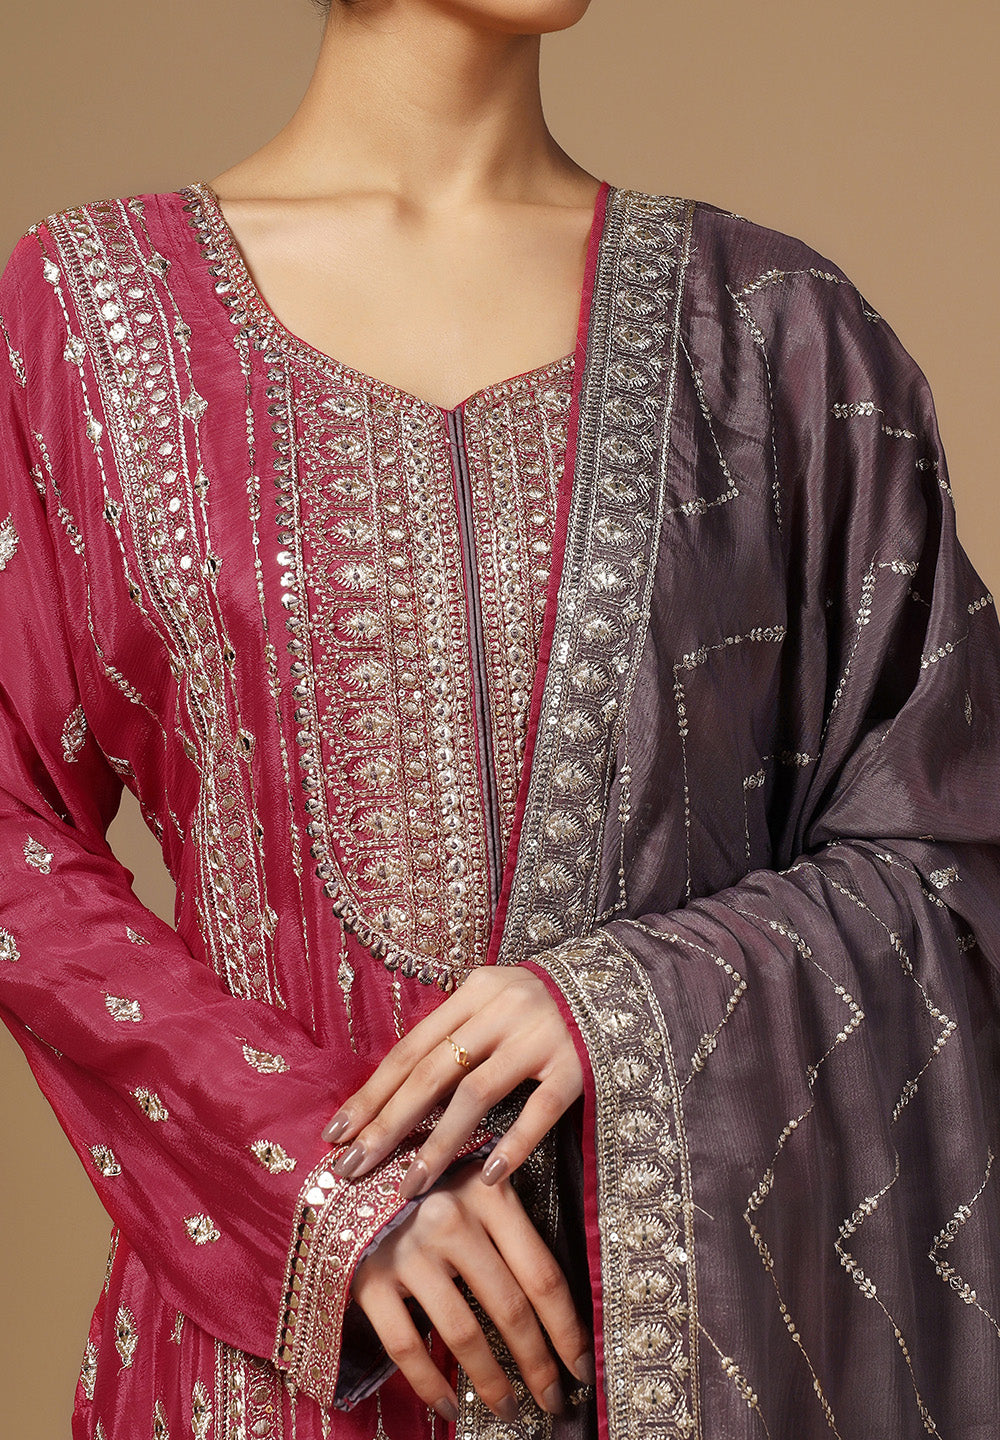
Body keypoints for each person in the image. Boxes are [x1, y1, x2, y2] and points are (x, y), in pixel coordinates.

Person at [1, 0, 998, 1437]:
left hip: (673, 1368)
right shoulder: (88, 316)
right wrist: (317, 1182)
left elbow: (952, 853)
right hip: (263, 1376)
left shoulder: (775, 335)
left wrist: (629, 998)